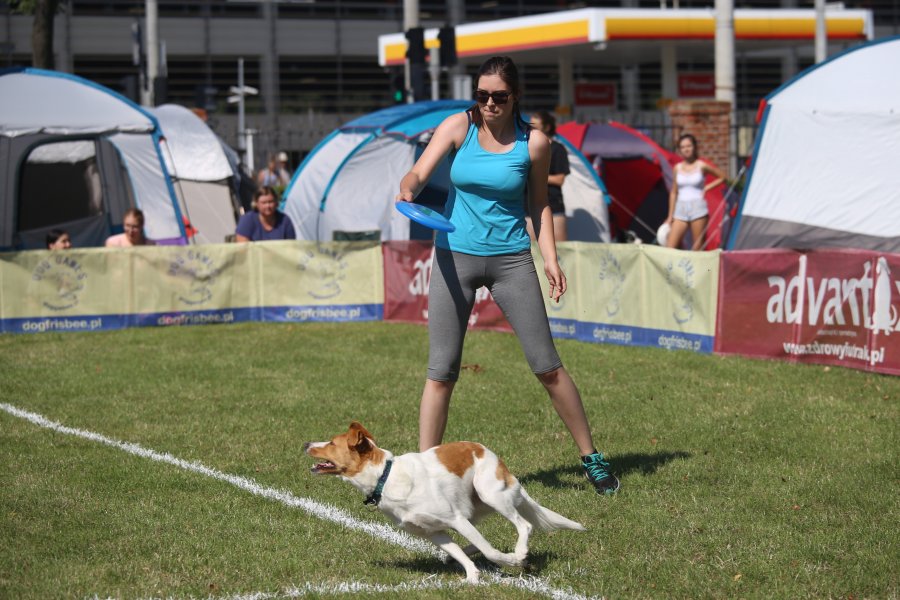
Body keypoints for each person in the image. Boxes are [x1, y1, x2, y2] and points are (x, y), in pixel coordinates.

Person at [396, 56, 619, 496]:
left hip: (511, 260)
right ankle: (426, 473)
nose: (489, 104)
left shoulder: (533, 144)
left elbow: (538, 204)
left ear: (514, 96)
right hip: (453, 257)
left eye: (498, 96)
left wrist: (549, 258)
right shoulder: (458, 127)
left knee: (547, 366)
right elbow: (420, 172)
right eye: (481, 96)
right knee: (441, 372)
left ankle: (591, 458)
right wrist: (408, 190)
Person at [664, 133, 726, 250]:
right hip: (680, 208)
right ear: (680, 150)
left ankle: (702, 269)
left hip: (698, 207)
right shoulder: (677, 168)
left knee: (697, 248)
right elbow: (674, 192)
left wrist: (707, 187)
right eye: (683, 147)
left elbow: (722, 176)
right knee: (670, 246)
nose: (686, 149)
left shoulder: (701, 165)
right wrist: (670, 216)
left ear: (694, 147)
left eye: (689, 146)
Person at [526, 110, 570, 242]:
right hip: (527, 207)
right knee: (530, 250)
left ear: (547, 127)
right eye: (530, 125)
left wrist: (534, 175)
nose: (531, 128)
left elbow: (560, 180)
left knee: (560, 250)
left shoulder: (557, 149)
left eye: (535, 125)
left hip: (553, 206)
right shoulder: (524, 147)